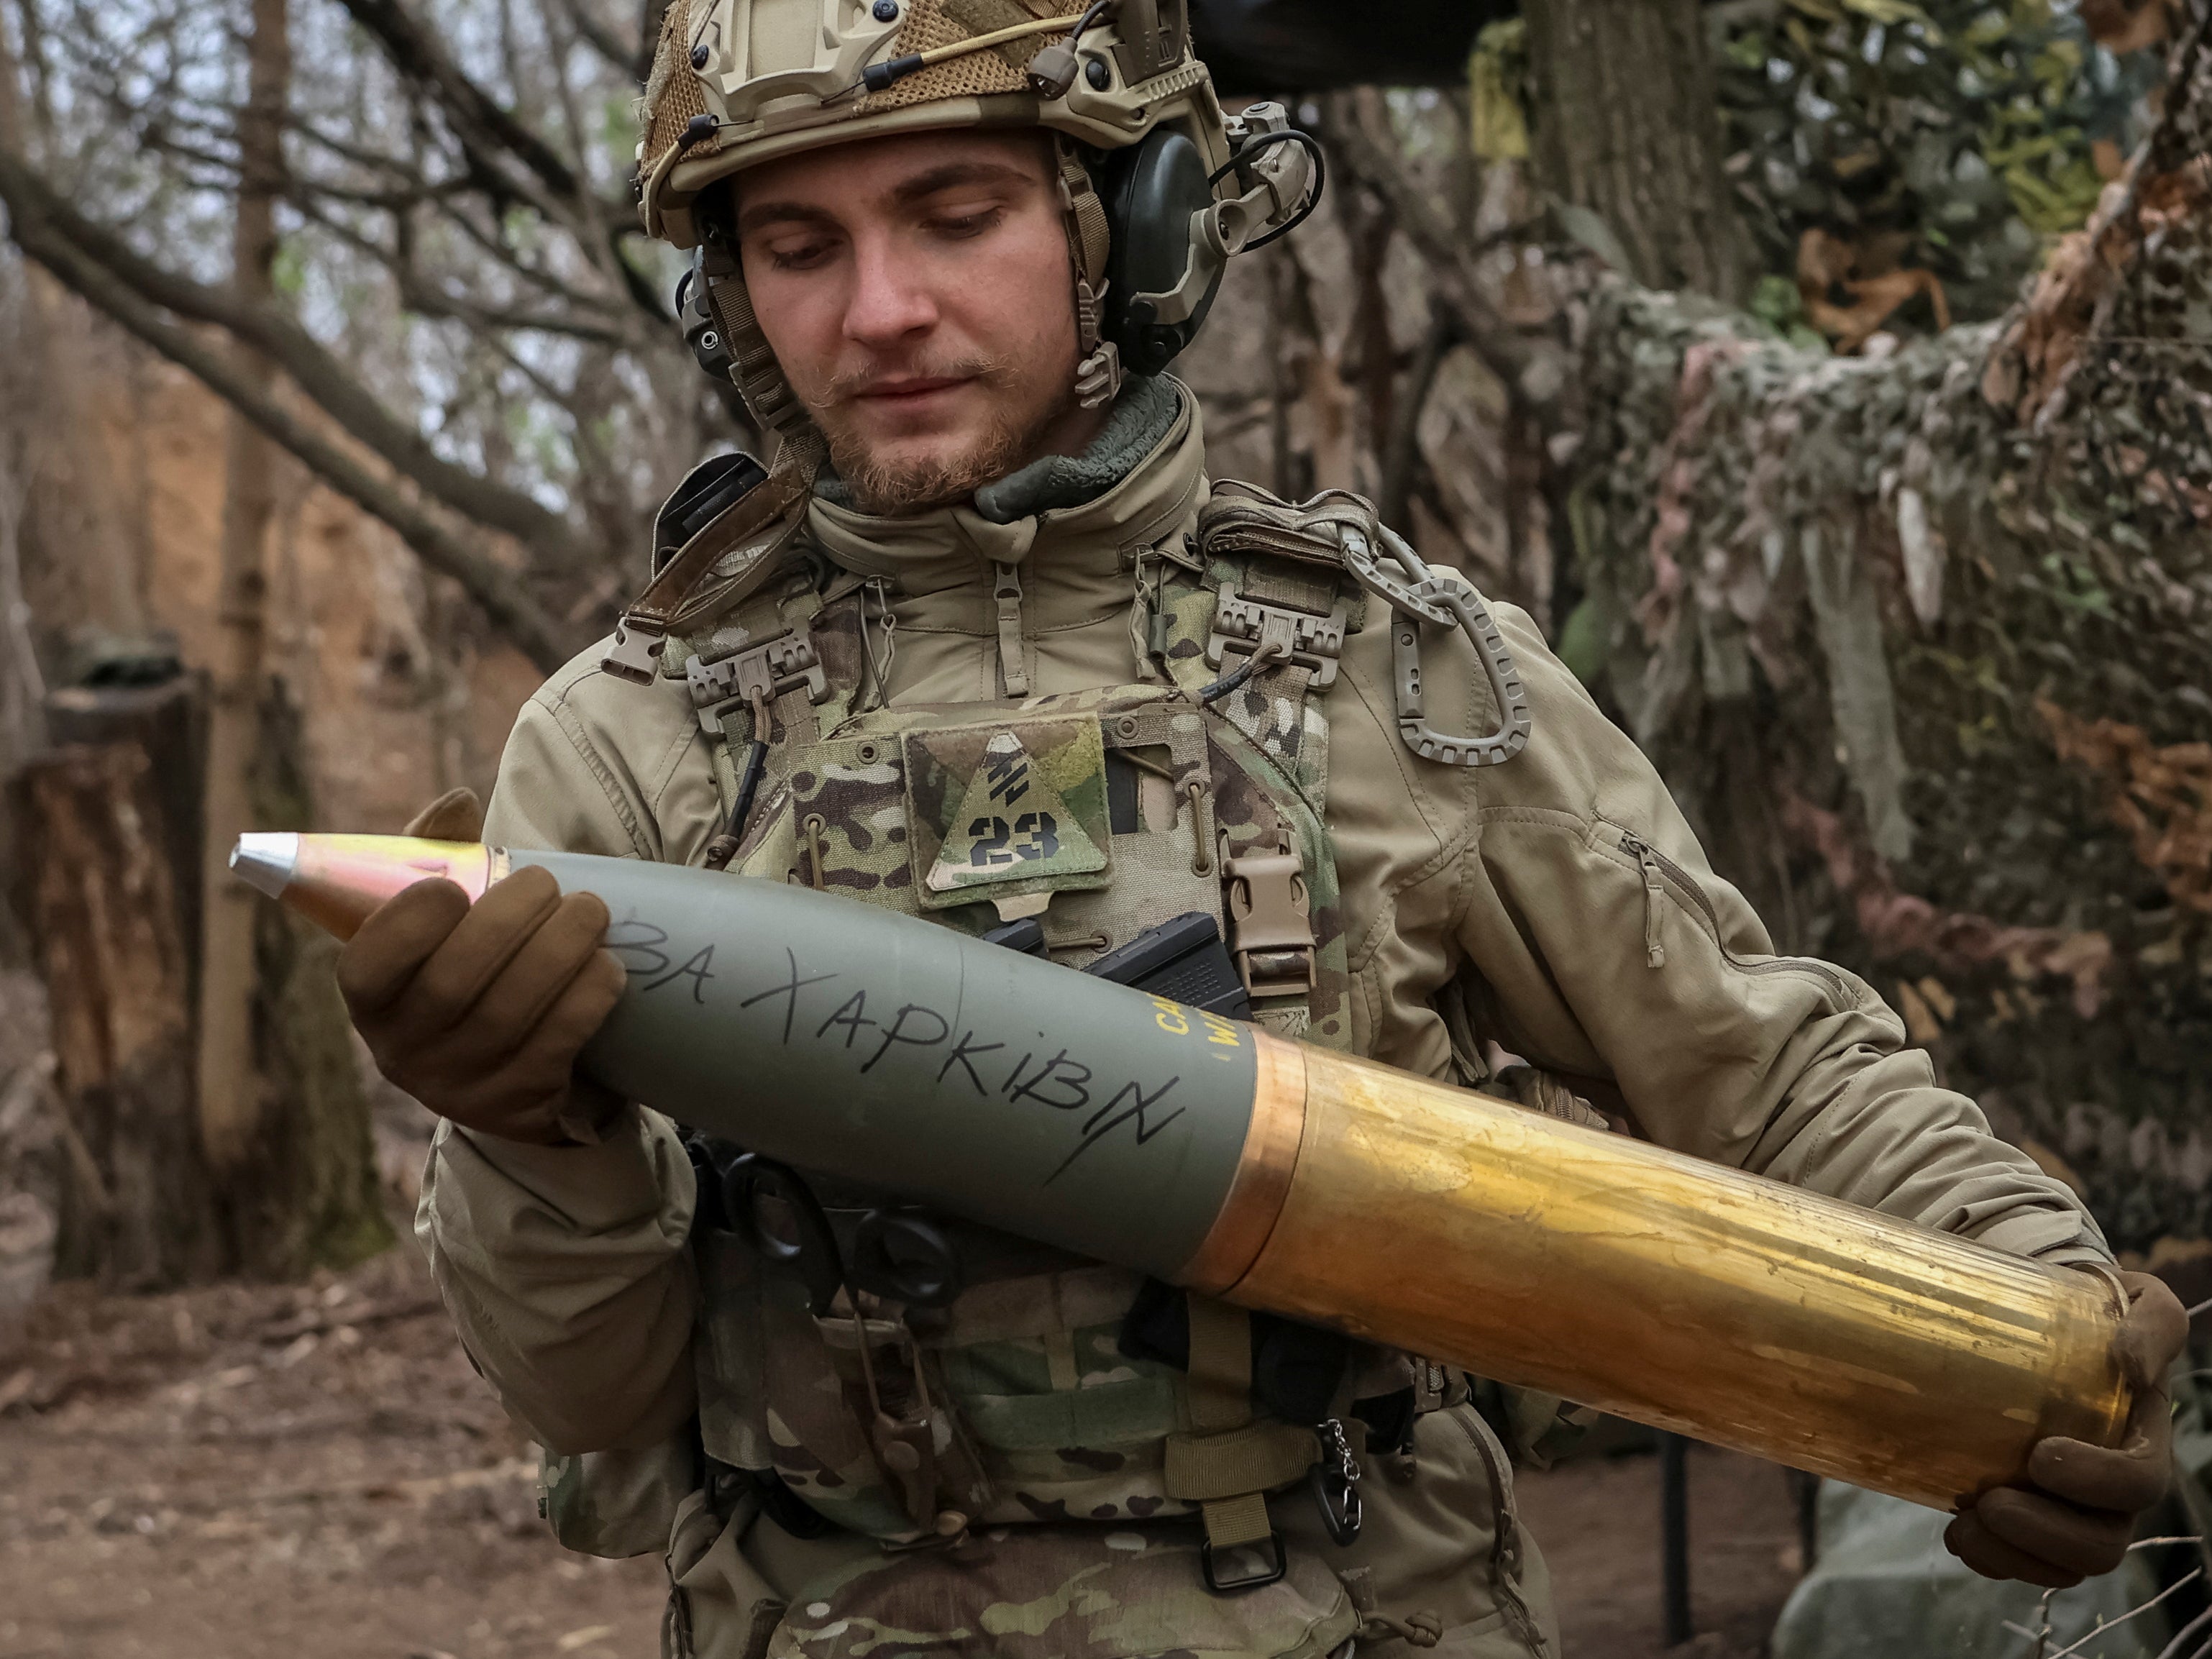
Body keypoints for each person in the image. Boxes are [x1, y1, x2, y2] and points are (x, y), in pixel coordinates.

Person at [333, 3, 2188, 1654]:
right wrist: (527, 1137)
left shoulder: (1398, 670)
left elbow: (1760, 1066)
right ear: (732, 297)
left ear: (1127, 222)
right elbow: (593, 1394)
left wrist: (2034, 1312)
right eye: (799, 246)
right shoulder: (630, 743)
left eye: (955, 216)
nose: (877, 311)